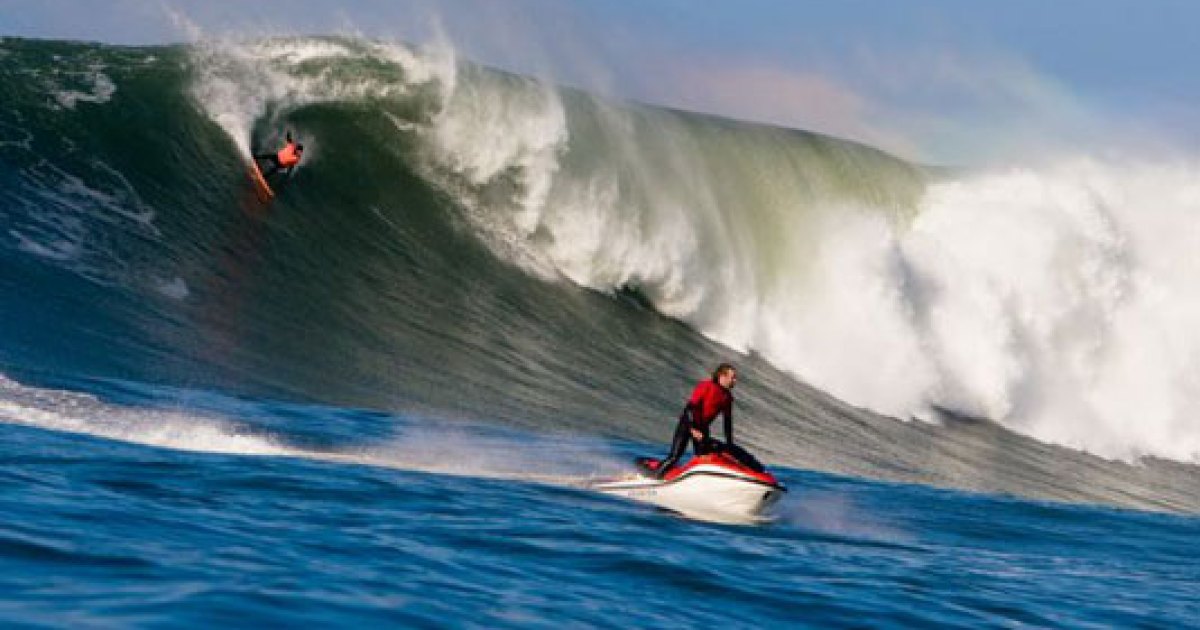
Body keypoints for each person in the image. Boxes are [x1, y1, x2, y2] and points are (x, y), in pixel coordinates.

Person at [655, 362, 741, 478]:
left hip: (703, 427)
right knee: (674, 457)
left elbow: (727, 422)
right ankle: (654, 478)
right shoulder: (706, 386)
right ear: (722, 376)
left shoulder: (727, 397)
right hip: (687, 424)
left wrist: (730, 444)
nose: (735, 381)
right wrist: (693, 429)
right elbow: (690, 408)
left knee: (704, 458)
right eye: (733, 377)